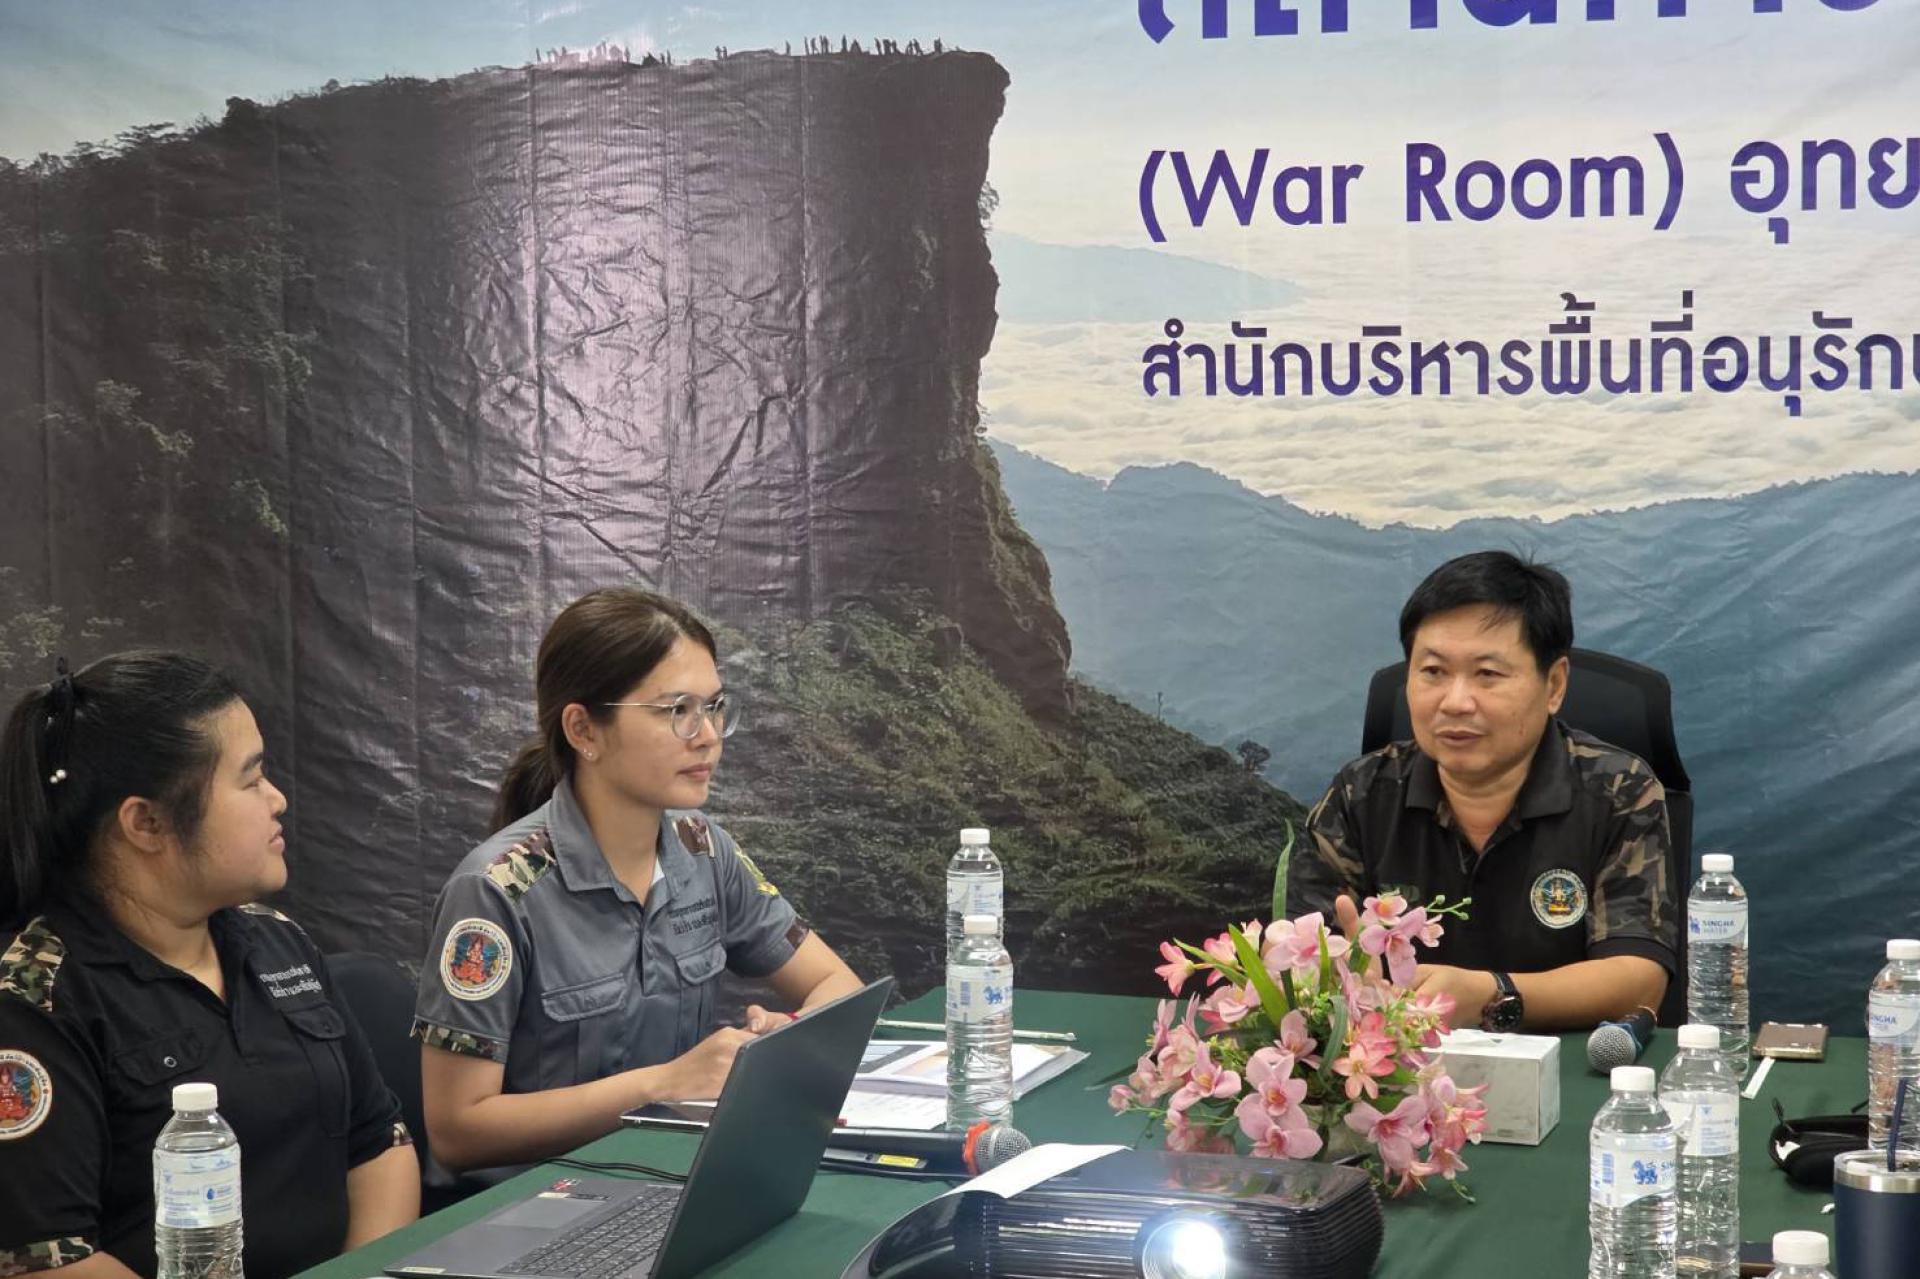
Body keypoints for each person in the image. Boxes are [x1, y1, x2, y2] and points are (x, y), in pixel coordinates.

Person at [0, 652, 419, 1279]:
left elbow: (380, 1143)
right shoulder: (35, 997)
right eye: (251, 780)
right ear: (147, 822)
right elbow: (46, 1263)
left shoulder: (276, 941)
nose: (277, 799)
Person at [414, 589, 862, 1175]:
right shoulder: (496, 890)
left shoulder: (703, 850)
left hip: (673, 1176)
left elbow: (837, 984)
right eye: (677, 710)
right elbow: (458, 1130)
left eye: (714, 706)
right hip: (537, 1200)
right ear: (584, 730)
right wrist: (664, 1084)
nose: (708, 735)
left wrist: (780, 1042)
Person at [1288, 552, 1676, 1032]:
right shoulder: (1361, 793)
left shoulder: (1619, 789)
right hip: (1400, 1065)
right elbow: (1294, 958)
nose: (1455, 702)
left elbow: (1639, 980)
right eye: (1433, 672)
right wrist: (1334, 976)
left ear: (1554, 686)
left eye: (1487, 674)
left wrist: (1493, 995)